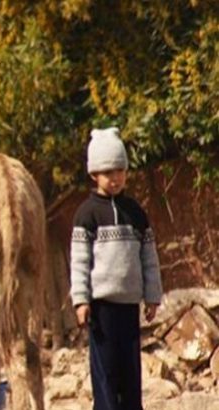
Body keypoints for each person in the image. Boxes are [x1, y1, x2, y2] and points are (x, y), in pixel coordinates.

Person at [70, 127, 163, 410]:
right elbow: (79, 261)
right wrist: (81, 300)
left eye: (120, 171)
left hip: (128, 307)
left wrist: (153, 295)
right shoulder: (86, 214)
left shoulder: (135, 212)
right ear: (94, 175)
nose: (116, 178)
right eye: (109, 172)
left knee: (130, 371)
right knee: (106, 372)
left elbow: (149, 257)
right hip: (101, 310)